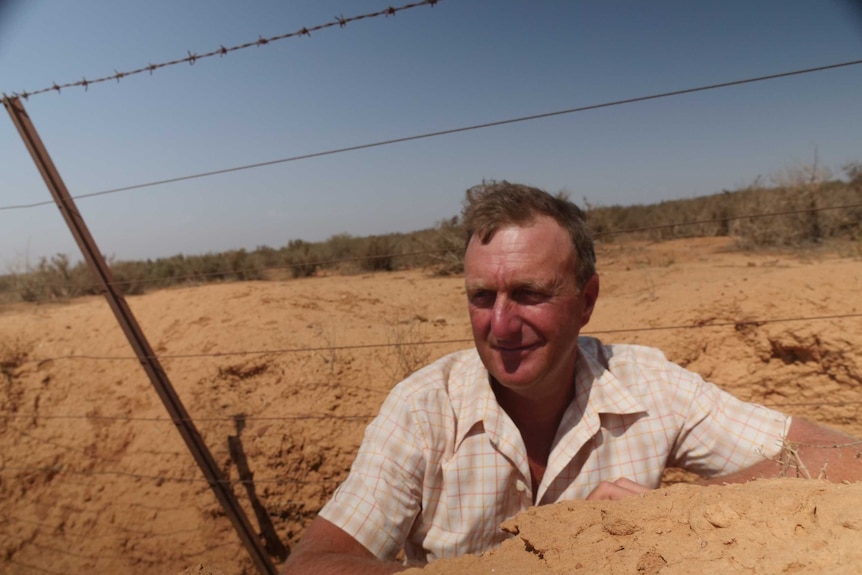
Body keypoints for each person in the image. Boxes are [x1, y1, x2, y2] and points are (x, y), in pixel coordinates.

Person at [282, 182, 861, 574]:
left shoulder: (649, 385)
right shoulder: (422, 408)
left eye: (530, 294)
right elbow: (317, 562)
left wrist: (676, 512)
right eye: (482, 296)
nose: (501, 323)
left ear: (586, 301)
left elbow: (841, 455)